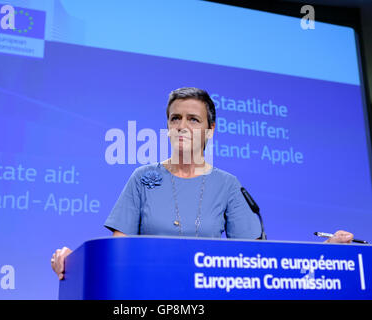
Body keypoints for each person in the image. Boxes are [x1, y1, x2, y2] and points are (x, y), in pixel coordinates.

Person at [51, 87, 355, 280]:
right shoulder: (143, 178)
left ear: (210, 130)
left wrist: (326, 251)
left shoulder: (228, 185)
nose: (182, 126)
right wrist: (74, 263)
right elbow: (117, 253)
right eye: (175, 118)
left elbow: (258, 261)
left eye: (193, 120)